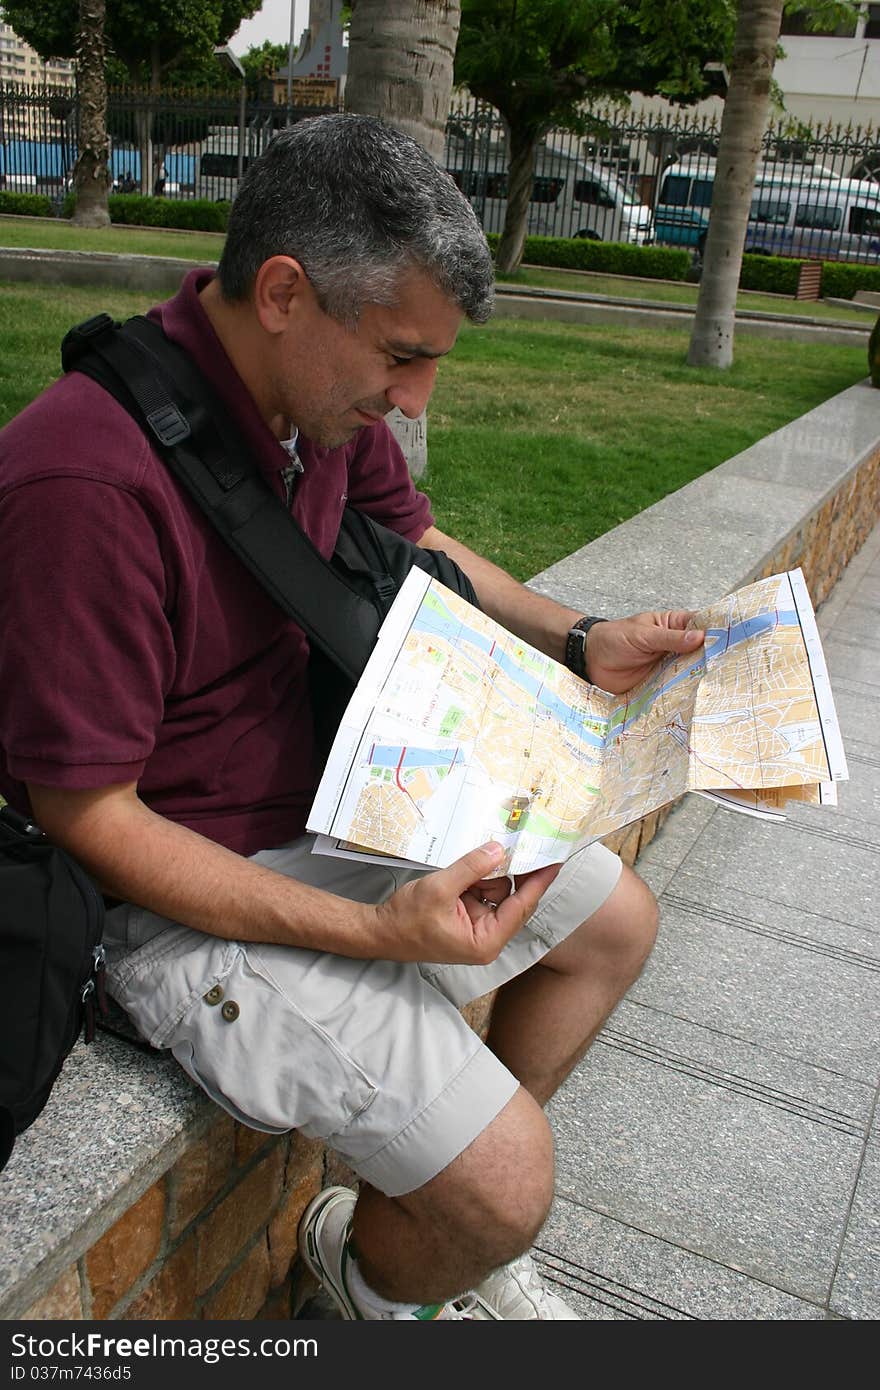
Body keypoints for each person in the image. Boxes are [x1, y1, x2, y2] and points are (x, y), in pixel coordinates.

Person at [0, 114, 704, 1321]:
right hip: (172, 898)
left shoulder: (307, 403)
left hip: (334, 799)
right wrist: (377, 936)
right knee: (509, 1181)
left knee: (614, 921)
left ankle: (429, 1222)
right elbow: (89, 817)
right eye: (401, 354)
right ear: (283, 292)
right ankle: (384, 1284)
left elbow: (416, 538)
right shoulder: (85, 481)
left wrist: (582, 638)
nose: (416, 393)